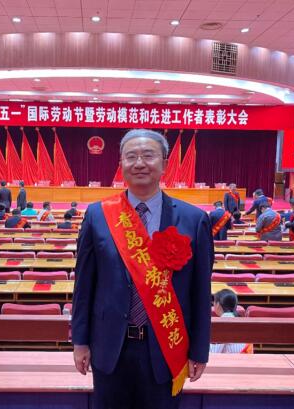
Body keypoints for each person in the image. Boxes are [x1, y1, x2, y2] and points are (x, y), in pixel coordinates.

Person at [72, 129, 213, 409]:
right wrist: (80, 341)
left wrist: (199, 351)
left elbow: (200, 292)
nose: (139, 163)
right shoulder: (98, 215)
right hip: (109, 347)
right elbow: (84, 285)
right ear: (121, 164)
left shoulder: (193, 220)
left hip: (166, 346)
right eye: (131, 156)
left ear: (164, 164)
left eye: (148, 155)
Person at [210, 289, 252, 354]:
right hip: (244, 354)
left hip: (237, 358)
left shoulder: (224, 321)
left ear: (218, 304)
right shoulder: (236, 317)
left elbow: (215, 351)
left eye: (214, 302)